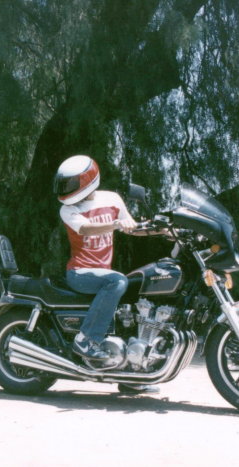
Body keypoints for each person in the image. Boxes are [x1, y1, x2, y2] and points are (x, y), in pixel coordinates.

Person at [53, 155, 158, 393]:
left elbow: (131, 226)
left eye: (70, 183)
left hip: (103, 273)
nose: (65, 189)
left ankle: (131, 377)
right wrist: (116, 225)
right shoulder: (67, 209)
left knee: (130, 301)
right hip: (80, 272)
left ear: (88, 179)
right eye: (64, 184)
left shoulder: (112, 199)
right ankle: (86, 340)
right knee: (117, 281)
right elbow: (87, 228)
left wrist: (159, 229)